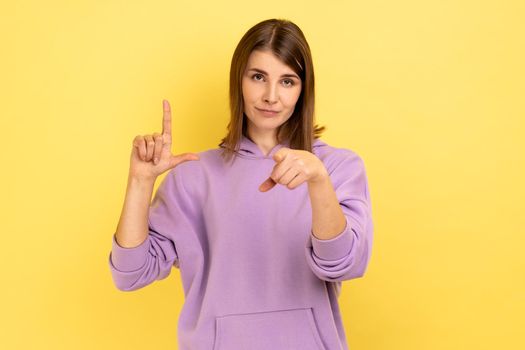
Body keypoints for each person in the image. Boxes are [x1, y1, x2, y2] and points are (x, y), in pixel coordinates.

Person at [108, 18, 374, 350]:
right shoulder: (194, 175)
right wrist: (139, 182)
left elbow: (345, 264)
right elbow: (129, 274)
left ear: (304, 89)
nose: (271, 96)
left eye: (288, 81)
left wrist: (318, 182)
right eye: (258, 77)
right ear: (240, 81)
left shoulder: (336, 168)